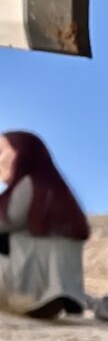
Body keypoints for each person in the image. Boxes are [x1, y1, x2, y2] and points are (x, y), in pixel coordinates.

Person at [0, 131, 89, 318]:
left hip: (28, 291)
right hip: (52, 294)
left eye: (1, 151)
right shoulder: (53, 191)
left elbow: (7, 221)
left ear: (22, 154)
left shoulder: (28, 184)